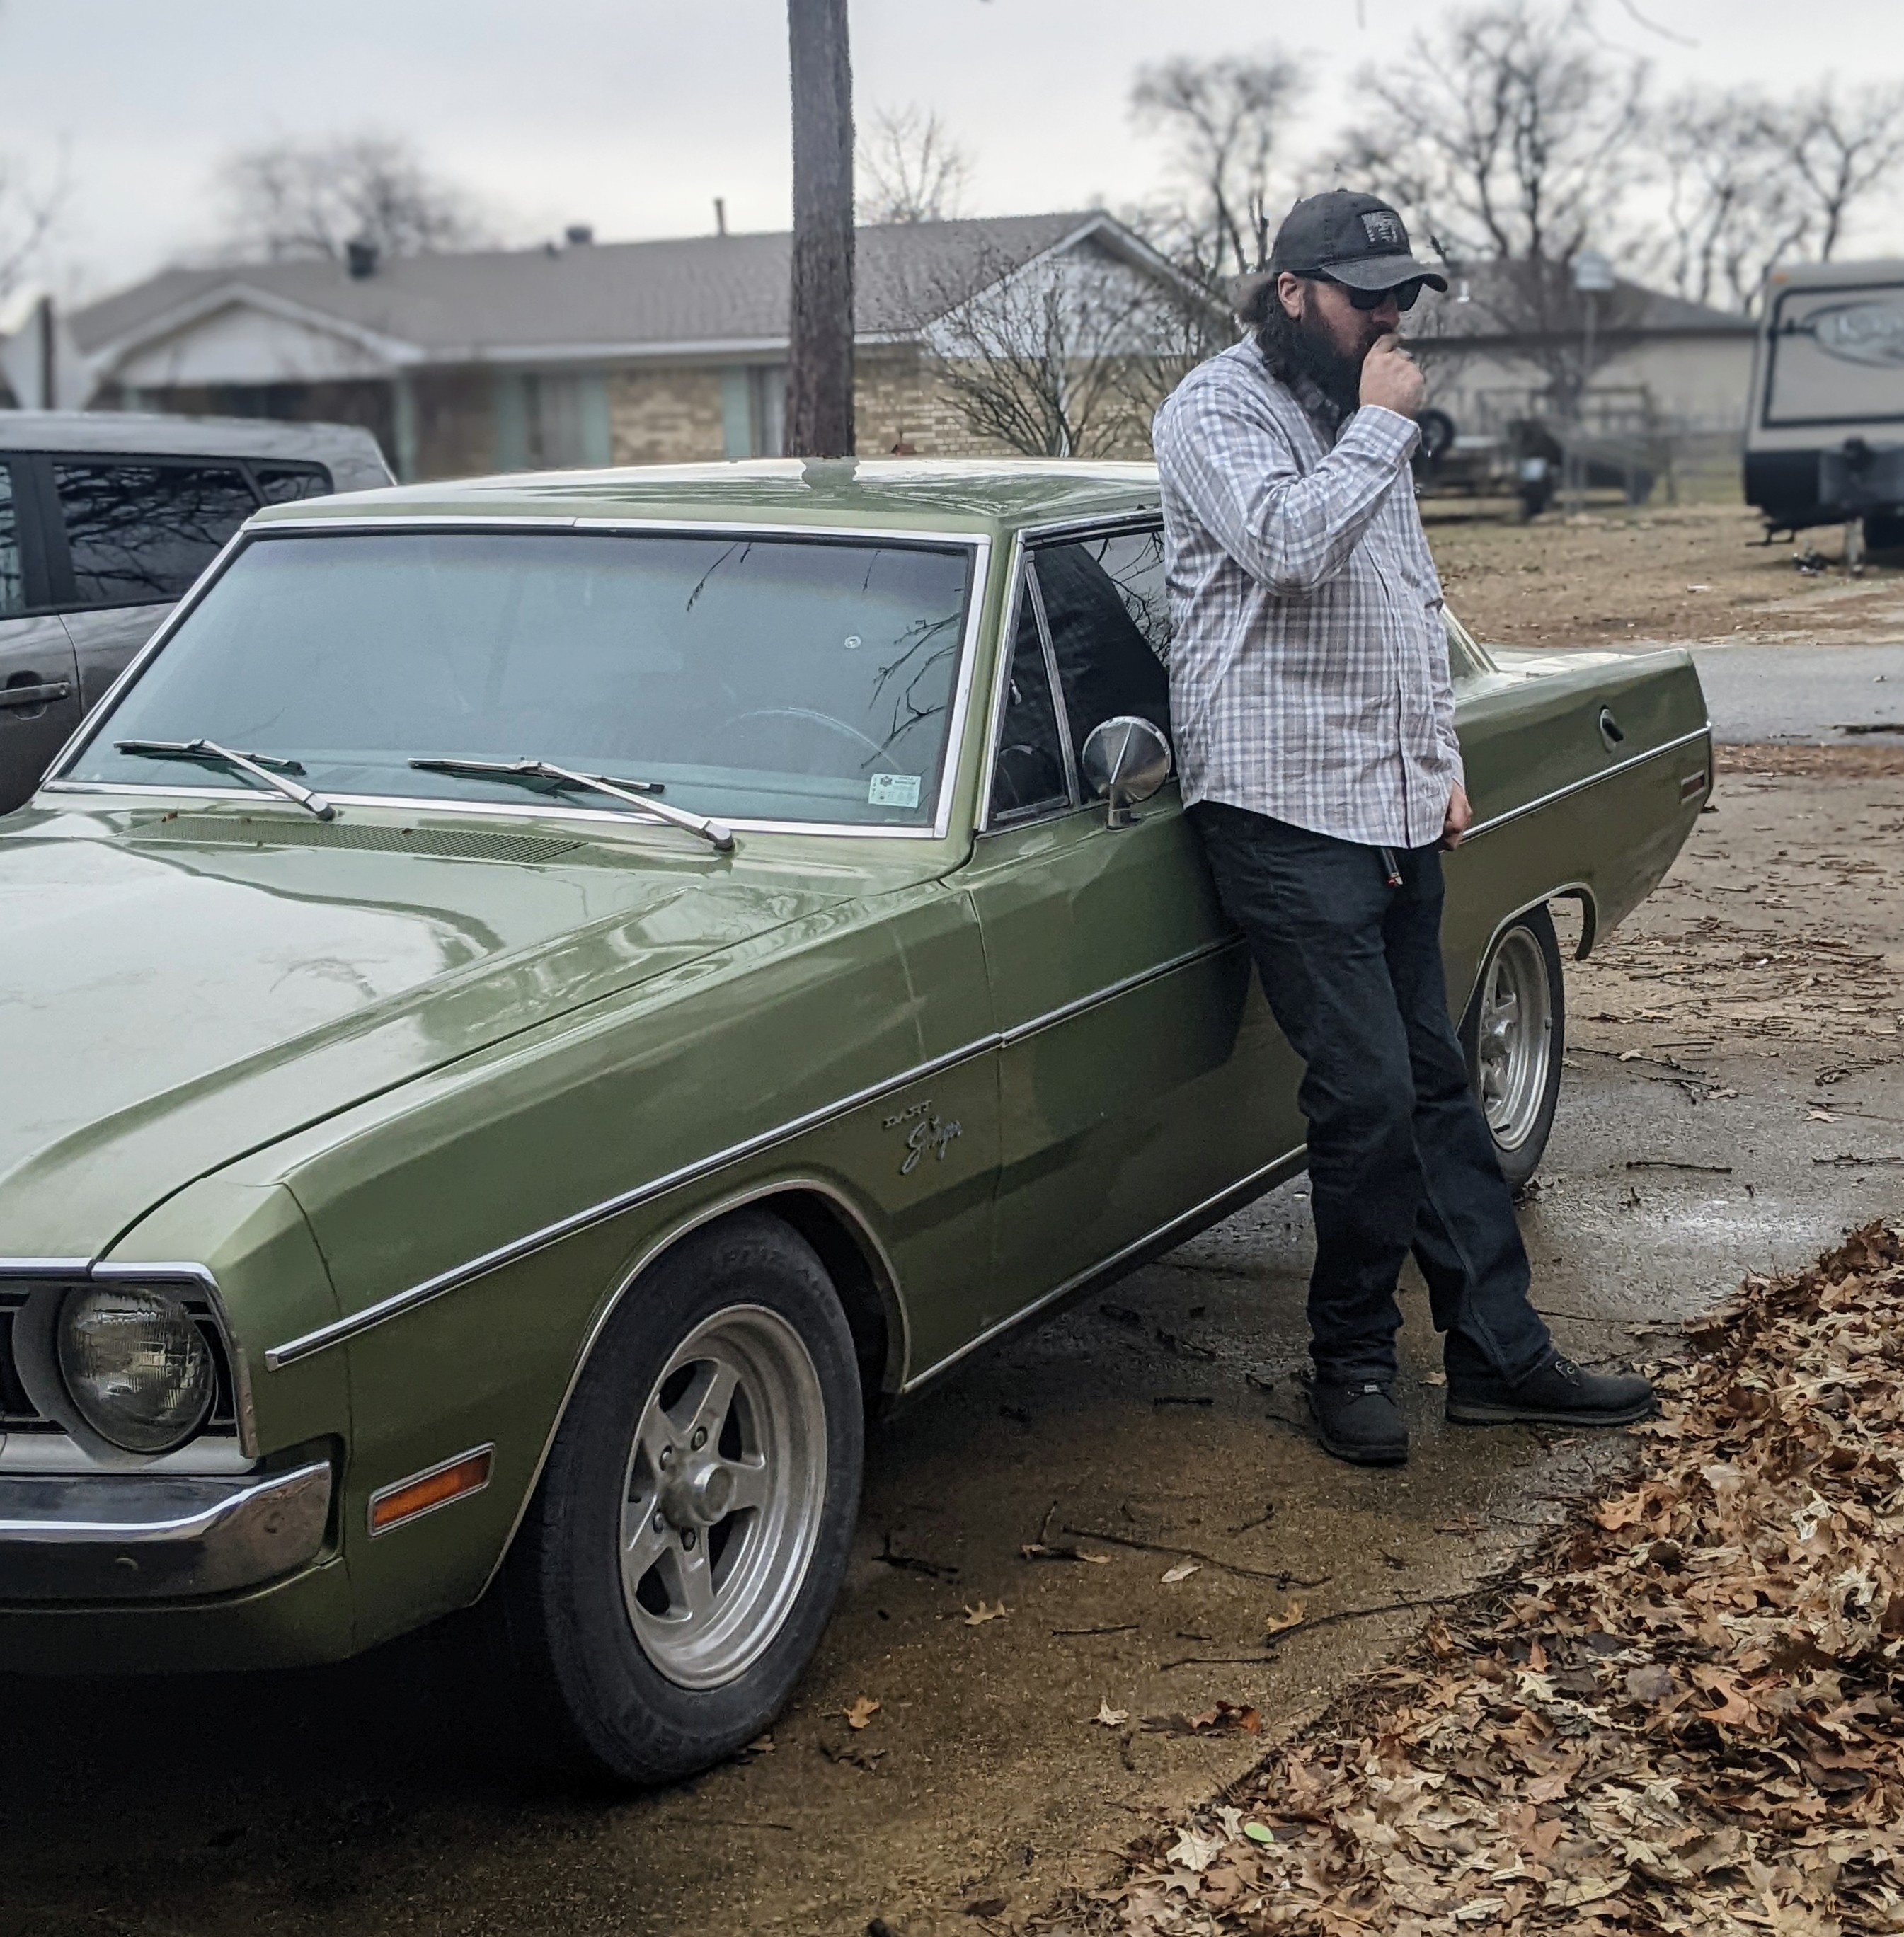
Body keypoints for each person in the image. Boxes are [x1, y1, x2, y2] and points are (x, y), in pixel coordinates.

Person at [1151, 190, 1653, 1466]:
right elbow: (1284, 547)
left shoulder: (1353, 418)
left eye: (1401, 296)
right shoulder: (1214, 411)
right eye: (1363, 295)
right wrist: (1382, 427)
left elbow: (1404, 599)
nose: (1388, 317)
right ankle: (1352, 1362)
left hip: (1389, 802)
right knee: (1367, 1096)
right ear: (1290, 293)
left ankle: (1498, 1354)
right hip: (1276, 806)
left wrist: (1436, 760)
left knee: (1436, 1083)